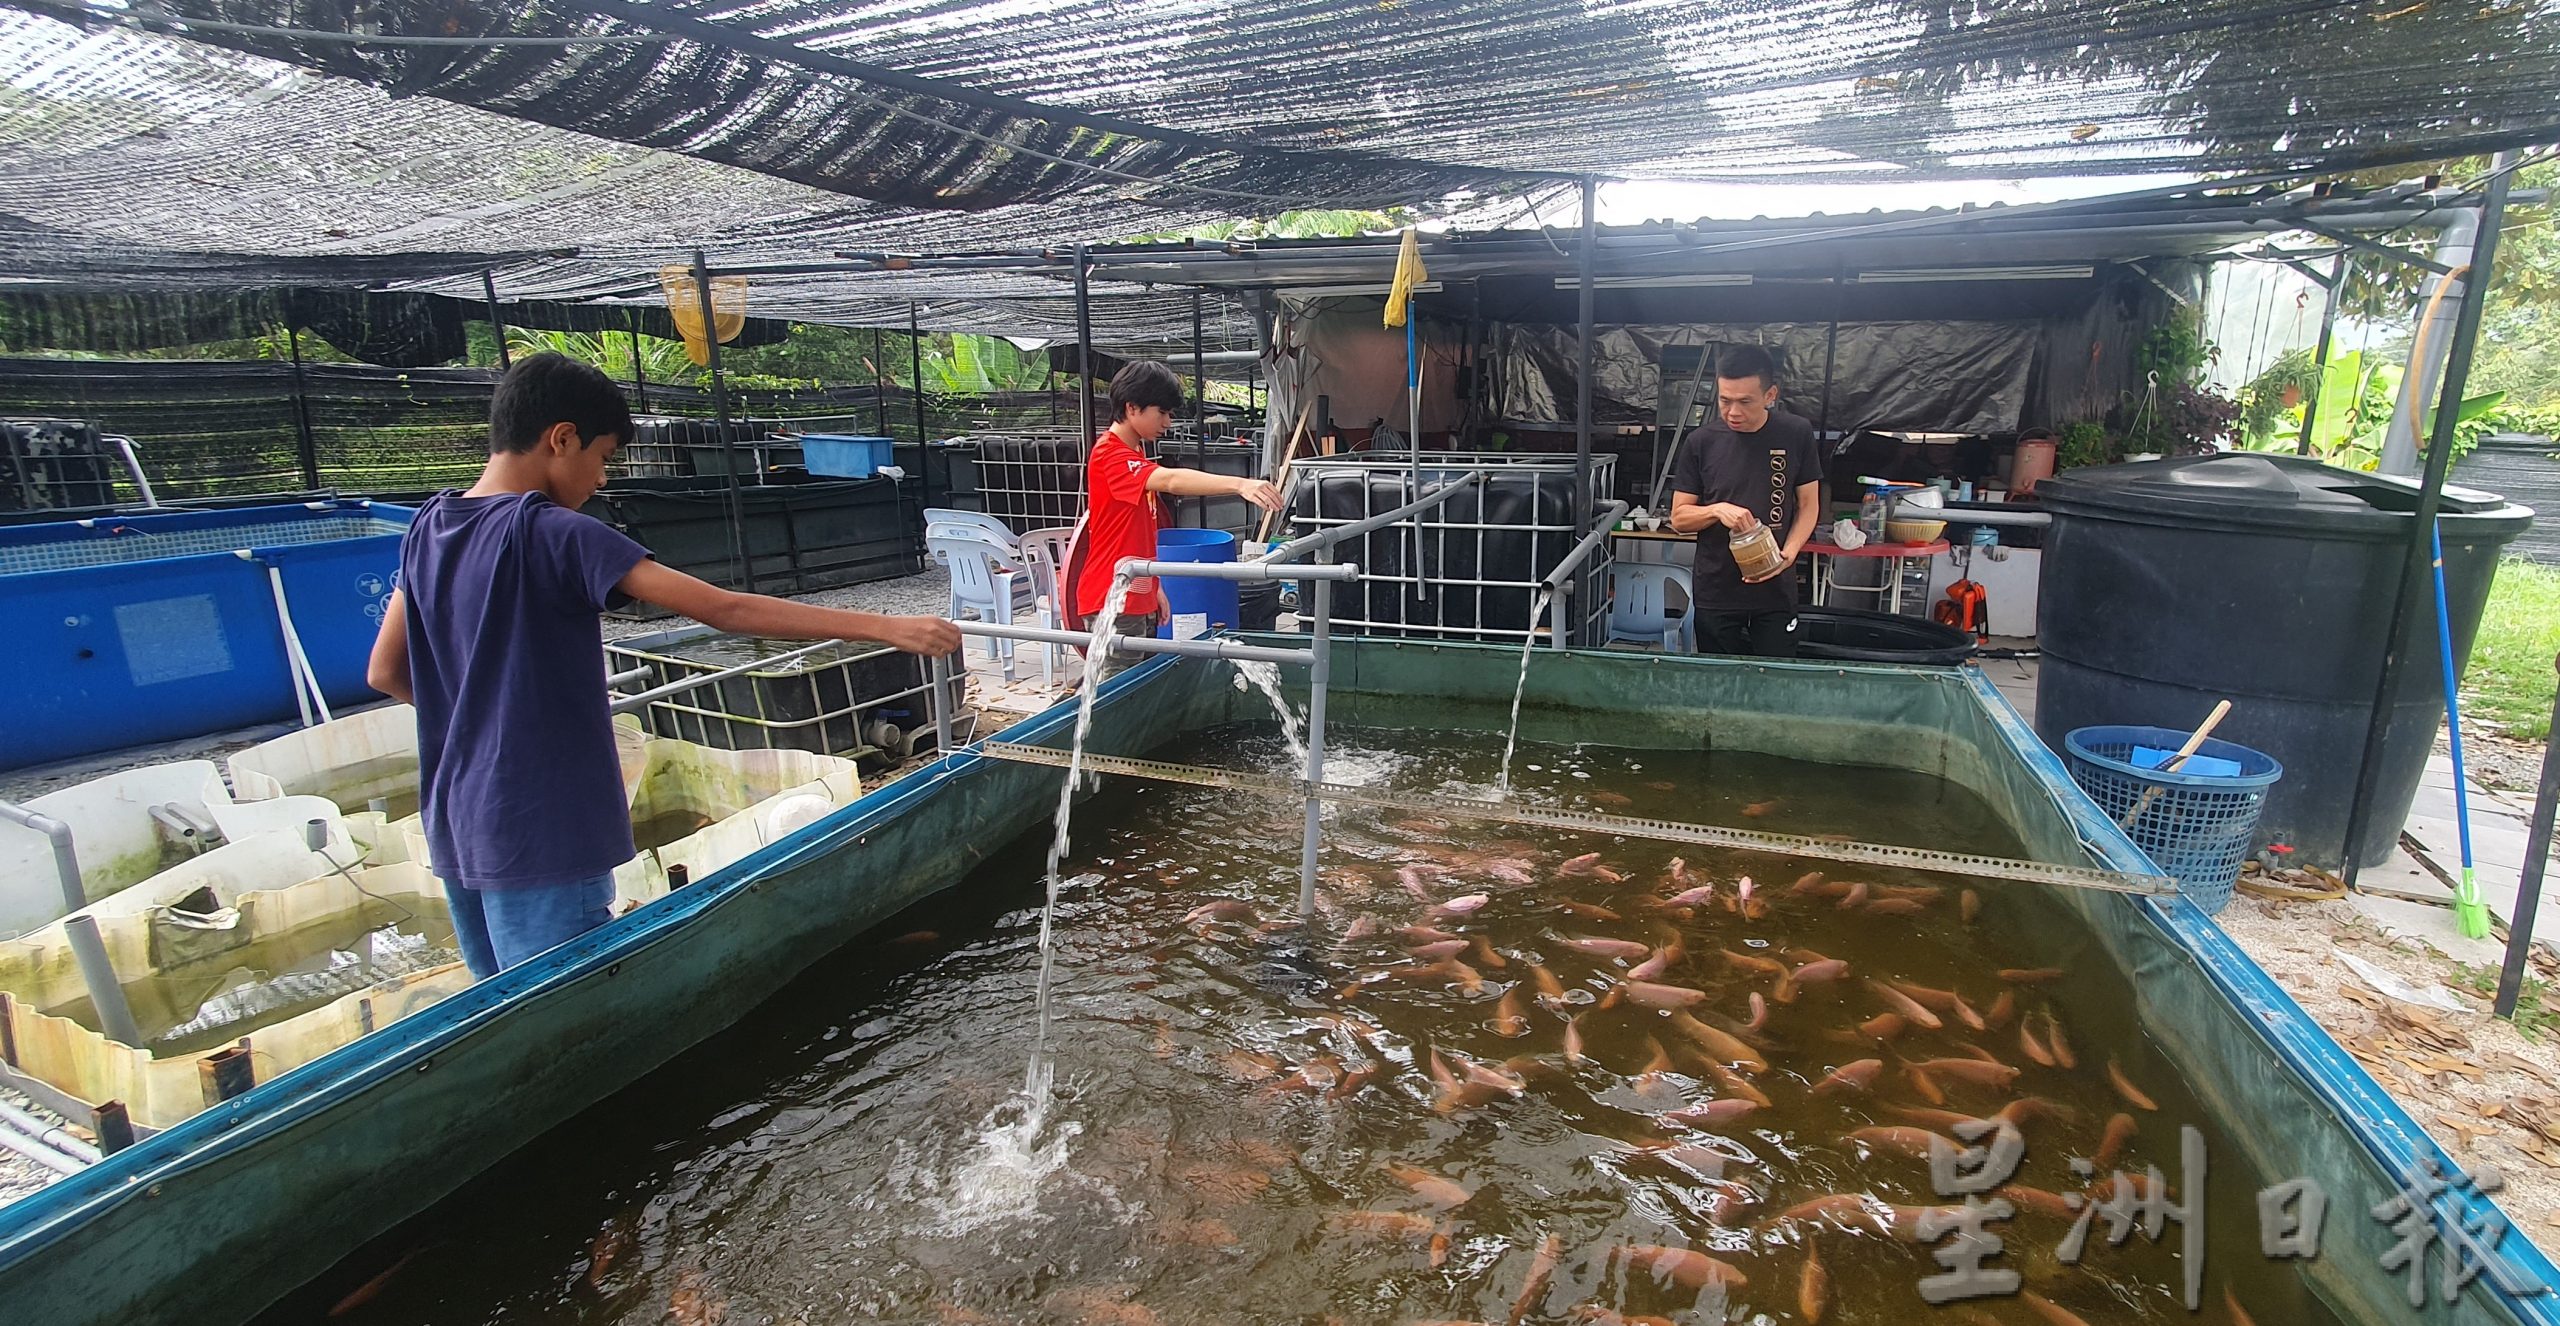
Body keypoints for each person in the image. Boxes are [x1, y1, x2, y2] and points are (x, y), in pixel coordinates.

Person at [365, 353, 961, 979]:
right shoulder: (555, 533)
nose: (600, 480)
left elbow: (384, 671)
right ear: (560, 438)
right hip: (538, 824)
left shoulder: (427, 526)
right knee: (560, 1005)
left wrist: (478, 727)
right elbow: (721, 608)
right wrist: (886, 627)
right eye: (601, 458)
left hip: (456, 816)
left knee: (497, 1010)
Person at [1064, 361, 1283, 674]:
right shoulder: (1109, 455)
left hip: (1135, 591)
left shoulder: (1134, 452)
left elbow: (1137, 533)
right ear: (1132, 408)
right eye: (1162, 412)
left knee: (1129, 686)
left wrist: (1156, 588)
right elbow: (1170, 480)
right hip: (1111, 596)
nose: (1167, 422)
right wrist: (1239, 483)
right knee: (1114, 691)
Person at [1668, 344, 1825, 658]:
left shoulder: (1796, 432)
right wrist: (1716, 509)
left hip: (1775, 592)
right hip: (1717, 591)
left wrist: (1789, 553)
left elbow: (1809, 504)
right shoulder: (1702, 442)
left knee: (1776, 682)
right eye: (1725, 400)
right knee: (1721, 683)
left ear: (1770, 395)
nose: (1733, 412)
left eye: (1745, 402)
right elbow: (1679, 519)